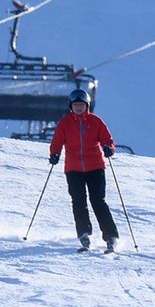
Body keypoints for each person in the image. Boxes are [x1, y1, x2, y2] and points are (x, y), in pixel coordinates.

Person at [48, 88, 119, 252]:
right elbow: (57, 141)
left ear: (87, 106)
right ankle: (84, 234)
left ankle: (111, 236)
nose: (78, 108)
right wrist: (54, 154)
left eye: (81, 105)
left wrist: (109, 148)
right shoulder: (65, 123)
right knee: (78, 202)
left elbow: (107, 139)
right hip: (74, 169)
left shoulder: (95, 121)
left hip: (95, 167)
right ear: (70, 106)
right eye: (76, 105)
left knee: (98, 201)